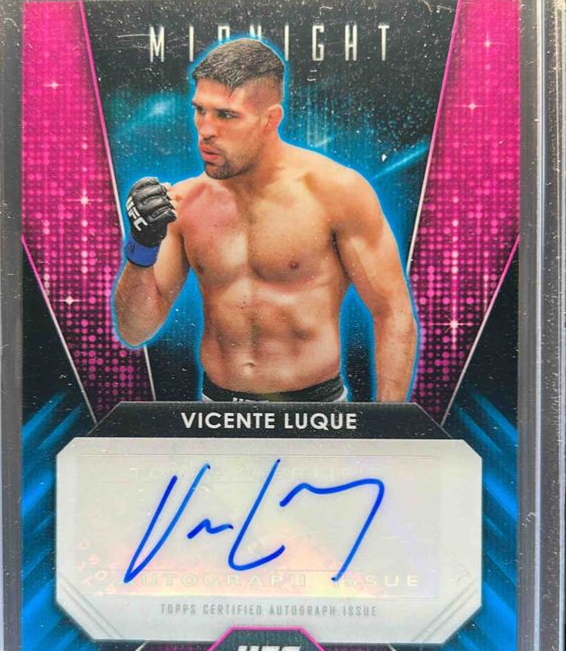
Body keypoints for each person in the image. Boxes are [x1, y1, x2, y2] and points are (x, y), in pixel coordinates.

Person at [114, 38, 417, 403]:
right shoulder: (184, 203)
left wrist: (388, 425)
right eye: (200, 110)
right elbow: (134, 331)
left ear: (270, 119)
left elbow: (392, 312)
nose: (206, 130)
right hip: (217, 407)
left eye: (226, 115)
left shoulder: (336, 191)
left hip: (316, 408)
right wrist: (141, 247)